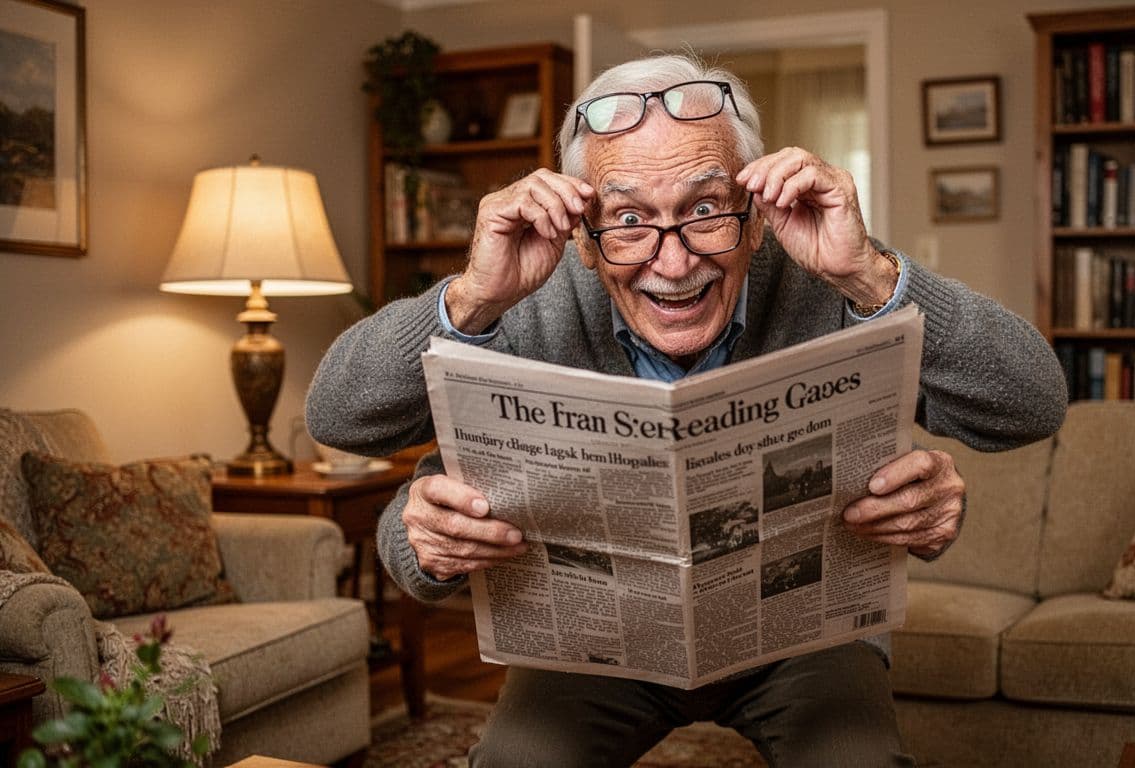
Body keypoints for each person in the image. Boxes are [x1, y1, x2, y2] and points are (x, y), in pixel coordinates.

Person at [307, 54, 1067, 767]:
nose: (673, 263)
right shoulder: (524, 295)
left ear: (756, 213)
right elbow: (340, 422)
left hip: (802, 633)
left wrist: (869, 272)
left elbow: (1033, 402)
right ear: (583, 238)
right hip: (598, 640)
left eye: (706, 208)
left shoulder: (823, 273)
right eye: (629, 220)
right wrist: (472, 297)